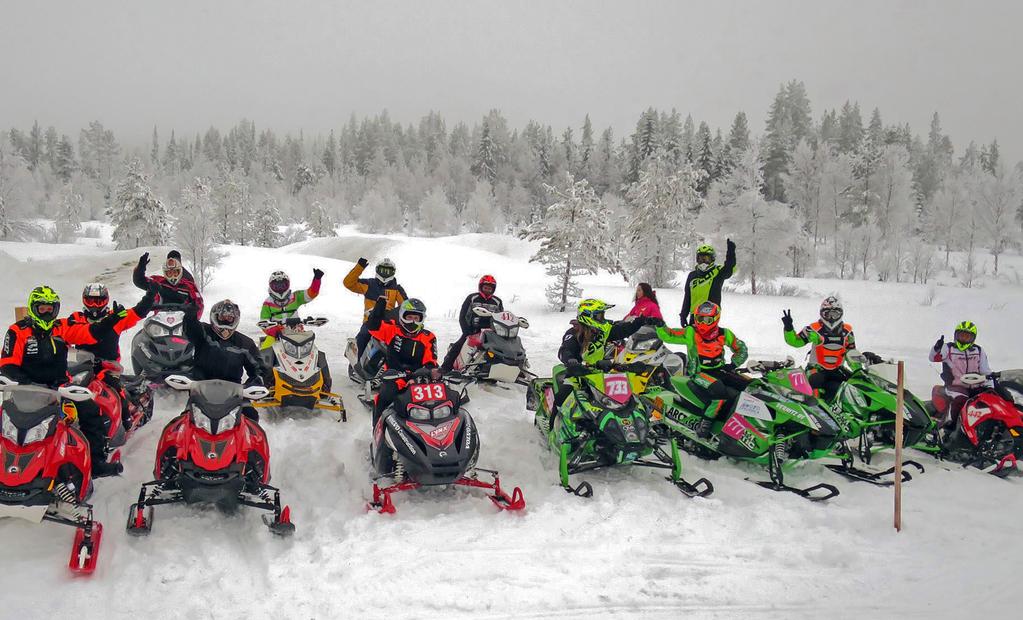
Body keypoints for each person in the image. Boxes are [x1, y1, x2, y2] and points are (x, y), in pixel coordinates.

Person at [0, 285, 129, 476]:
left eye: (50, 309)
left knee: (91, 411)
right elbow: (7, 364)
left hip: (60, 388)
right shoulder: (18, 331)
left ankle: (96, 462)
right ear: (33, 308)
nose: (46, 313)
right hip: (27, 391)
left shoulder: (61, 328)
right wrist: (23, 383)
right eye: (42, 308)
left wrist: (112, 320)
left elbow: (90, 332)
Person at [656, 301, 749, 438]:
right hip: (699, 373)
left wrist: (733, 364)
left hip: (721, 370)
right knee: (718, 391)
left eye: (707, 320)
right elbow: (669, 335)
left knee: (747, 386)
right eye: (700, 319)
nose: (703, 323)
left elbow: (741, 348)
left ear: (716, 319)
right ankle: (705, 425)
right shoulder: (691, 332)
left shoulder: (725, 334)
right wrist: (660, 325)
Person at [552, 299, 657, 410]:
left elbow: (623, 330)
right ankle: (552, 424)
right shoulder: (574, 333)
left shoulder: (602, 332)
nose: (602, 319)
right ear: (587, 316)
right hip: (578, 374)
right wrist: (570, 360)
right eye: (599, 316)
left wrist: (642, 321)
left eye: (602, 316)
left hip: (600, 375)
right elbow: (564, 350)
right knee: (561, 398)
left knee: (624, 400)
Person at [181, 300, 266, 421]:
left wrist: (253, 384)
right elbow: (191, 330)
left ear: (235, 319)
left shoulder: (246, 343)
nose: (226, 320)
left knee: (252, 417)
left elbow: (259, 369)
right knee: (187, 419)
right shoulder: (203, 332)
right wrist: (190, 315)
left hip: (234, 392)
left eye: (230, 318)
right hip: (201, 389)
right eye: (222, 317)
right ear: (215, 317)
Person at [366, 296, 439, 426]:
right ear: (402, 316)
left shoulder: (428, 337)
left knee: (438, 401)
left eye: (417, 318)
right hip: (394, 376)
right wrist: (380, 306)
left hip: (419, 378)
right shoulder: (392, 330)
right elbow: (373, 327)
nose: (413, 322)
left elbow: (431, 361)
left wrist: (429, 372)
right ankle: (378, 428)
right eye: (409, 317)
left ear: (422, 319)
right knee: (383, 397)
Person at [782, 296, 855, 398]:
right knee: (816, 383)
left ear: (840, 314)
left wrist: (859, 370)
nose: (831, 318)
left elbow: (852, 353)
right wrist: (789, 328)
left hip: (837, 369)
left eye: (834, 314)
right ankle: (815, 408)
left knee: (850, 386)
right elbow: (795, 342)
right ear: (822, 313)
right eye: (828, 314)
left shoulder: (847, 332)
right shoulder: (814, 329)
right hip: (816, 369)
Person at [929, 321, 991, 428]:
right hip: (954, 386)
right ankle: (947, 426)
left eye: (967, 336)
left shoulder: (978, 350)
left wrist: (991, 386)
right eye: (961, 335)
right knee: (961, 398)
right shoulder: (949, 348)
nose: (963, 339)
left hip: (976, 387)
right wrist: (936, 349)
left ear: (973, 338)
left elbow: (985, 371)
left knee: (991, 400)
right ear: (955, 335)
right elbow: (934, 358)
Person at [344, 257, 408, 358]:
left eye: (388, 271)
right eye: (383, 270)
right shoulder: (368, 284)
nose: (385, 273)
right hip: (370, 320)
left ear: (393, 272)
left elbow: (405, 305)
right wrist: (359, 267)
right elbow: (348, 283)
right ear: (378, 270)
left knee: (399, 341)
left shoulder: (396, 288)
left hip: (388, 322)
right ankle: (357, 362)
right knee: (363, 336)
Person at [440, 274, 504, 372]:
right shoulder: (472, 297)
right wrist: (466, 330)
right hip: (473, 330)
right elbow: (463, 315)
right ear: (481, 287)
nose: (487, 290)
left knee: (501, 349)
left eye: (489, 288)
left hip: (491, 333)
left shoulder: (497, 301)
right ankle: (445, 368)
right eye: (485, 287)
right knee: (458, 345)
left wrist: (499, 331)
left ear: (493, 289)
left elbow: (501, 317)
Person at [259, 268, 324, 349]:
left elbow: (311, 294)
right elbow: (263, 322)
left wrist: (317, 279)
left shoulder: (296, 296)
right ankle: (261, 360)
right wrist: (273, 330)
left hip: (297, 331)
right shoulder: (267, 303)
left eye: (283, 285)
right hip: (276, 334)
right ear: (271, 286)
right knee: (265, 349)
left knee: (312, 349)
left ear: (288, 284)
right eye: (277, 286)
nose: (280, 288)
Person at [679, 239, 736, 326]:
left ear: (712, 259)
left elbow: (729, 268)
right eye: (700, 259)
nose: (703, 262)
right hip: (694, 316)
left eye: (706, 259)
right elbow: (687, 297)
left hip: (711, 316)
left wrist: (731, 251)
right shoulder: (692, 275)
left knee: (709, 339)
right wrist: (683, 316)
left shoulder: (718, 272)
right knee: (693, 339)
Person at [133, 252, 203, 318]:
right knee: (146, 328)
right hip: (160, 321)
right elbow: (140, 281)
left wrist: (193, 318)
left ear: (180, 271)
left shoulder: (189, 286)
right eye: (169, 273)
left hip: (183, 321)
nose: (173, 275)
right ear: (165, 273)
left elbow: (199, 303)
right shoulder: (158, 281)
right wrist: (140, 269)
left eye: (175, 272)